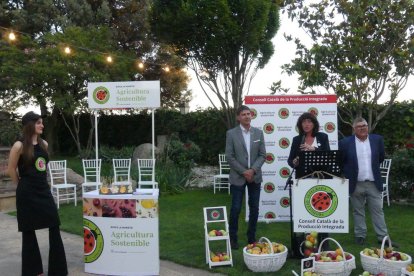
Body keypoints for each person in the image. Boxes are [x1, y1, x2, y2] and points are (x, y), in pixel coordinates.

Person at [8, 111, 68, 276]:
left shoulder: (44, 144)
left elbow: (43, 167)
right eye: (39, 122)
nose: (42, 125)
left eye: (42, 122)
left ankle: (58, 270)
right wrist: (20, 185)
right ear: (30, 125)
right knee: (28, 231)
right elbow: (11, 169)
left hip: (43, 191)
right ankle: (33, 271)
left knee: (54, 225)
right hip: (26, 193)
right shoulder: (19, 146)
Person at [339, 117, 397, 247]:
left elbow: (380, 158)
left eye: (364, 125)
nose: (362, 128)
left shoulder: (377, 140)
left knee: (378, 210)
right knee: (358, 211)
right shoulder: (345, 143)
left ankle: (383, 237)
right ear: (354, 129)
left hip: (373, 183)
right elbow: (341, 162)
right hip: (355, 183)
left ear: (367, 127)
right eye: (359, 126)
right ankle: (360, 235)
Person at [287, 112, 330, 253]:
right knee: (307, 212)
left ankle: (324, 243)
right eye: (303, 122)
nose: (306, 124)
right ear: (300, 125)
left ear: (314, 124)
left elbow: (328, 155)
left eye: (309, 122)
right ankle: (309, 244)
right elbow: (290, 159)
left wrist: (314, 149)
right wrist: (294, 161)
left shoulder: (322, 137)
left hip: (320, 179)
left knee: (321, 212)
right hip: (303, 180)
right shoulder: (297, 139)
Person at [225, 105, 266, 249]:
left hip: (255, 177)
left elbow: (262, 155)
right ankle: (232, 239)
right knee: (235, 208)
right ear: (238, 117)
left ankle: (251, 238)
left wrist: (252, 170)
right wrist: (244, 172)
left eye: (249, 114)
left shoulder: (258, 133)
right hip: (238, 176)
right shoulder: (231, 134)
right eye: (243, 114)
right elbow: (229, 157)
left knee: (254, 208)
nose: (247, 116)